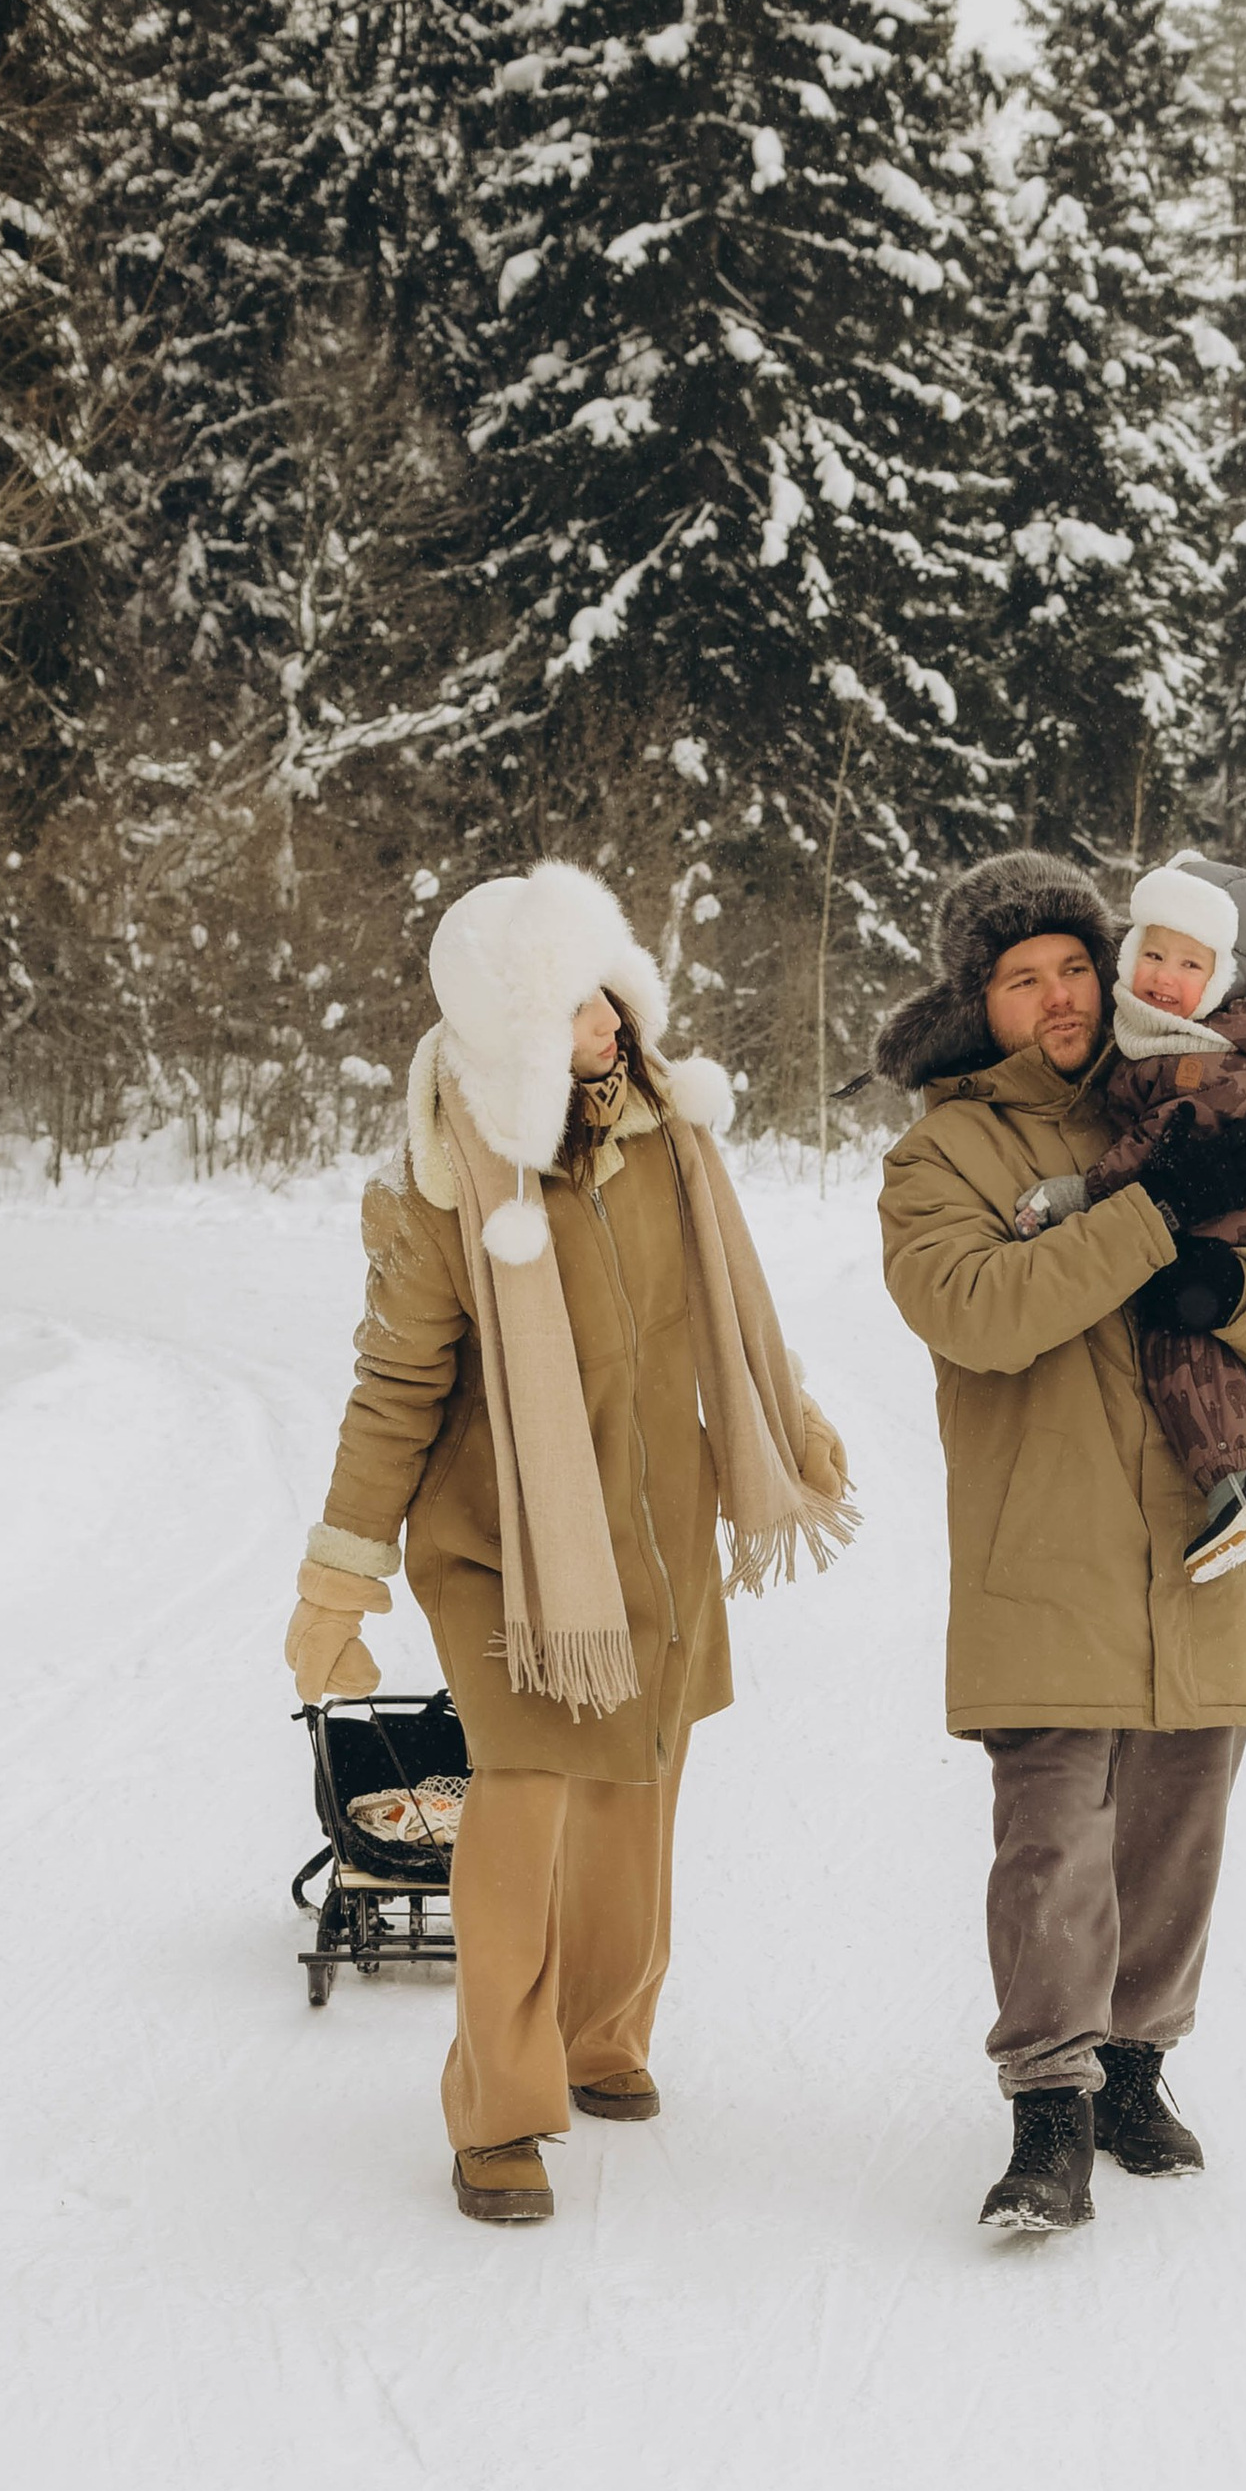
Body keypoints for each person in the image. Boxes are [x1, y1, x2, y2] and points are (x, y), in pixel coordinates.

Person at [286, 861, 855, 2228]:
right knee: (530, 1800)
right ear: (505, 1032)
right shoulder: (443, 1181)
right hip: (510, 1551)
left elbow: (715, 1318)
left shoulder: (673, 1137)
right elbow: (394, 1388)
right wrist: (336, 1577)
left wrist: (792, 1422)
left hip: (658, 1529)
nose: (603, 1015)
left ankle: (602, 2034)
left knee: (639, 1787)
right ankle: (496, 2099)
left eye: (605, 982)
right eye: (564, 1001)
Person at [874, 849, 1246, 2237]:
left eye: (1074, 967)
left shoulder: (1196, 1092)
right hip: (1047, 1550)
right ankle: (1049, 2101)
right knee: (1052, 1840)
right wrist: (1152, 1217)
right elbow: (977, 1307)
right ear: (980, 1000)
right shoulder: (945, 1151)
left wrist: (1236, 1282)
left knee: (1178, 1822)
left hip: (1202, 1535)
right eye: (1020, 978)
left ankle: (1138, 2064)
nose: (1059, 997)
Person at [1012, 847, 1246, 1589]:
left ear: (1226, 982)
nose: (1162, 978)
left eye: (1189, 964)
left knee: (1182, 1344)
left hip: (1226, 1226)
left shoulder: (1194, 1056)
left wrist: (1085, 1192)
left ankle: (1236, 1483)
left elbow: (1162, 1142)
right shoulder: (1208, 1042)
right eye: (1152, 954)